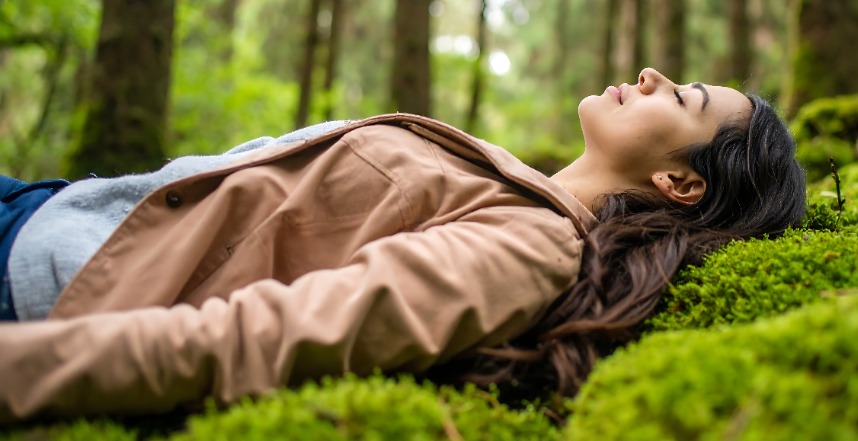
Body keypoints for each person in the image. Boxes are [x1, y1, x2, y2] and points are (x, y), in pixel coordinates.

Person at [0, 67, 806, 422]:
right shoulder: (517, 189)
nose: (653, 72)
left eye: (686, 97)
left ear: (684, 185)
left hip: (38, 274)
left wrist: (22, 369)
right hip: (51, 209)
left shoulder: (533, 246)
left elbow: (264, 337)